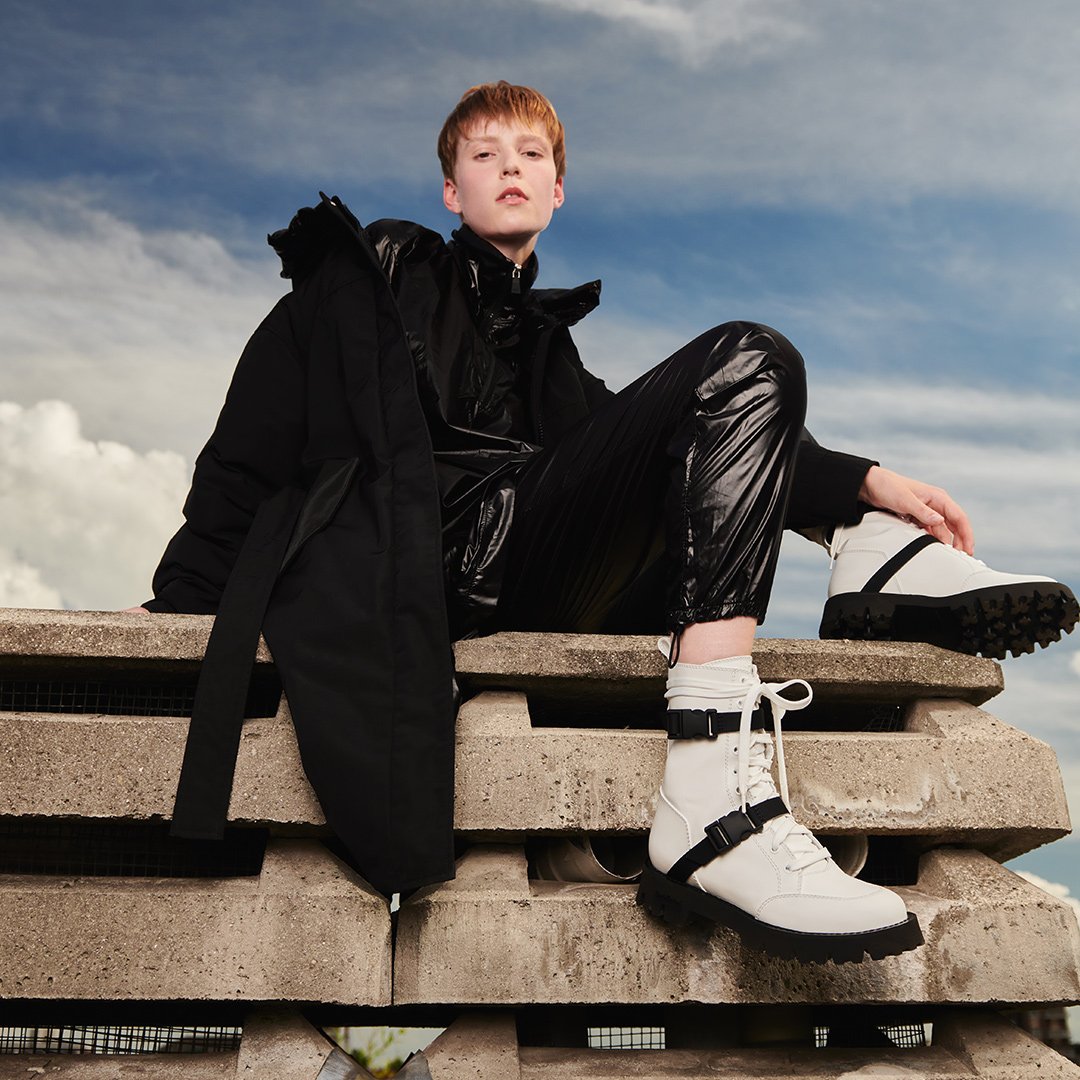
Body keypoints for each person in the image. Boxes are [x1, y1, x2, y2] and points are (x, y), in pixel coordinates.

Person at [134, 82, 1077, 964]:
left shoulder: (556, 367)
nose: (510, 167)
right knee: (751, 355)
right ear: (452, 190)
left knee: (744, 390)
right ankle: (716, 798)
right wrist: (181, 604)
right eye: (484, 154)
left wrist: (868, 482)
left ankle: (869, 548)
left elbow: (699, 432)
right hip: (446, 565)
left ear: (557, 189)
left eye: (531, 154)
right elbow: (249, 447)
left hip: (538, 567)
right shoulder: (379, 273)